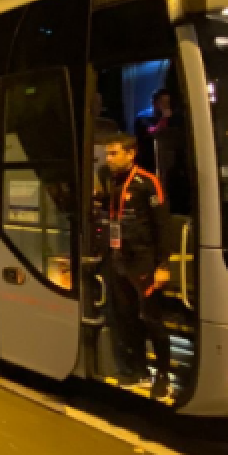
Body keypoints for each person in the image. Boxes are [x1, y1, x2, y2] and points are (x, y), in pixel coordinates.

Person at [96, 133, 173, 399]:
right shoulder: (108, 178)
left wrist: (163, 264)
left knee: (151, 319)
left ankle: (163, 376)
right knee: (126, 318)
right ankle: (139, 370)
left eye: (114, 153)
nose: (109, 159)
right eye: (107, 154)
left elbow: (163, 225)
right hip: (118, 258)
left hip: (143, 260)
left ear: (131, 154)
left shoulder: (148, 182)